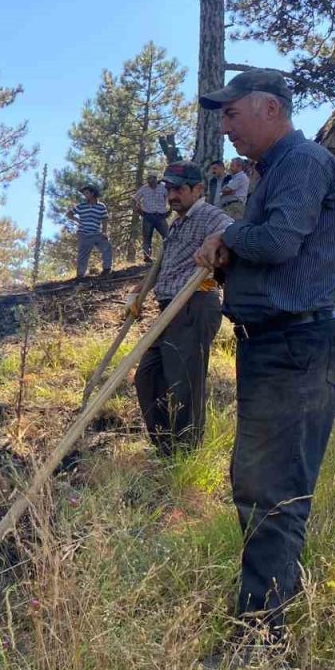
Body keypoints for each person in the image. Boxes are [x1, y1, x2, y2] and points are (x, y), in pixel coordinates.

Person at [192, 69, 335, 659]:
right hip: (272, 345)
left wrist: (231, 236)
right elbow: (275, 253)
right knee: (256, 484)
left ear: (269, 108)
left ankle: (261, 643)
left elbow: (281, 241)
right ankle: (264, 614)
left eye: (232, 113)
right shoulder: (270, 172)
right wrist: (230, 255)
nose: (225, 126)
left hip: (297, 345)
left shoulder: (303, 162)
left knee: (275, 492)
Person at [133, 163, 231, 456]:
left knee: (183, 383)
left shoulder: (208, 215)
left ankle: (186, 454)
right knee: (148, 375)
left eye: (178, 189)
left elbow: (231, 230)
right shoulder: (178, 223)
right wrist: (141, 290)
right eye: (168, 189)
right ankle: (167, 450)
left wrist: (218, 241)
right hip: (169, 308)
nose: (171, 195)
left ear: (198, 189)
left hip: (194, 303)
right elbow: (166, 265)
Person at [68, 184, 112, 278]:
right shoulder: (81, 206)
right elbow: (69, 214)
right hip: (84, 234)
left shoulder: (101, 206)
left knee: (107, 247)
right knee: (83, 255)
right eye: (84, 194)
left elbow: (104, 219)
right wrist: (77, 220)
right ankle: (80, 276)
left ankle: (107, 269)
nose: (85, 195)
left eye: (87, 193)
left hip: (96, 233)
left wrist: (104, 232)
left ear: (92, 193)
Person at [133, 173, 170, 263]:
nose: (149, 181)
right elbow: (134, 199)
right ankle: (147, 257)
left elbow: (170, 197)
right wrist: (138, 209)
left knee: (167, 236)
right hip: (148, 215)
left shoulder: (163, 188)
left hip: (160, 216)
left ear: (156, 179)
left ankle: (168, 254)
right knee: (147, 237)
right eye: (148, 179)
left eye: (151, 179)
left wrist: (170, 210)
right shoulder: (144, 188)